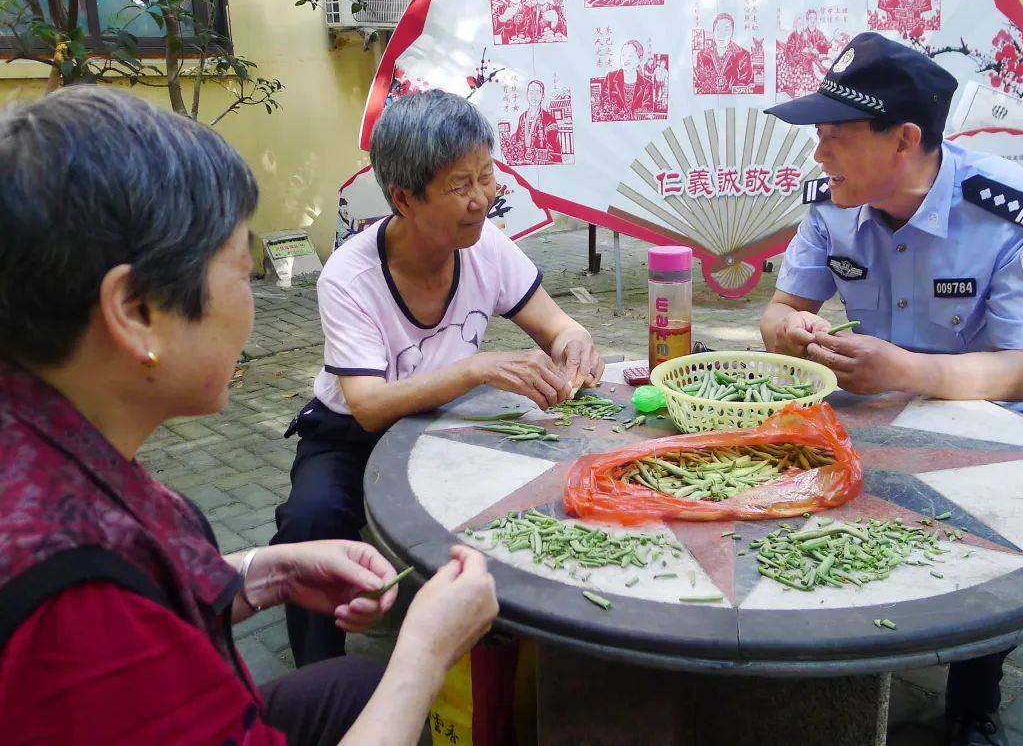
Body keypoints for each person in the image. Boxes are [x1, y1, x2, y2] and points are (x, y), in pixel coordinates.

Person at [0, 86, 499, 745]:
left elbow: (154, 576)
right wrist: (425, 653)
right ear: (135, 310)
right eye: (239, 271)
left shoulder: (46, 439)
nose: (252, 308)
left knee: (352, 686)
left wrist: (269, 570)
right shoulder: (77, 604)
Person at [761, 32, 1023, 746]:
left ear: (903, 141)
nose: (817, 153)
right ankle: (826, 661)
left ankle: (974, 696)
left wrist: (901, 368)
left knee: (987, 551)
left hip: (1004, 418)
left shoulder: (1009, 210)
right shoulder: (831, 206)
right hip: (883, 403)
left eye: (834, 136)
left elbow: (1021, 368)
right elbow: (777, 312)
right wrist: (792, 334)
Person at [273, 88, 602, 666]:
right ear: (403, 197)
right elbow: (369, 405)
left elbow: (558, 326)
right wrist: (476, 368)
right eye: (459, 185)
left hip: (451, 422)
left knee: (540, 497)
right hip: (350, 436)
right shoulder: (350, 277)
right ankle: (318, 683)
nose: (481, 200)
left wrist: (573, 346)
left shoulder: (488, 250)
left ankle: (518, 651)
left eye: (486, 176)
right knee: (311, 521)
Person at [695, 13, 754, 94]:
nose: (721, 35)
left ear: (732, 32)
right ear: (713, 31)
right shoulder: (702, 55)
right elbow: (699, 85)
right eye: (718, 29)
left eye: (727, 29)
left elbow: (746, 84)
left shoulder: (743, 55)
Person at [599, 40, 657, 118]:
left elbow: (648, 110)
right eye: (623, 55)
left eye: (630, 55)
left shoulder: (647, 84)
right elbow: (603, 105)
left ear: (639, 59)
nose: (626, 59)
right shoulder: (610, 78)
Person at [514, 79, 563, 162]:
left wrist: (535, 155)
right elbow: (518, 141)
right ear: (527, 95)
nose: (534, 96)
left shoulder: (549, 120)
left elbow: (555, 153)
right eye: (531, 92)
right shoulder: (522, 117)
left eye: (537, 92)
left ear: (542, 96)